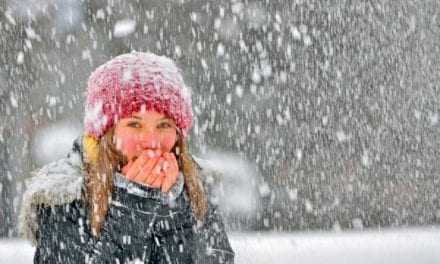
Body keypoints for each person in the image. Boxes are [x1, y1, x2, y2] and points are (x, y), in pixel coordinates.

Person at [18, 52, 235, 263]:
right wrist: (134, 206)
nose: (151, 141)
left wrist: (174, 208)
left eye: (164, 125)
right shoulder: (66, 197)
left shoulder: (195, 189)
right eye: (134, 124)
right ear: (106, 134)